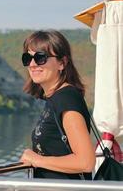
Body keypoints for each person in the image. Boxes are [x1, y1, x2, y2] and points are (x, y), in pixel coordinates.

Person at [19, 30, 96, 180]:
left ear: (62, 63)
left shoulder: (67, 99)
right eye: (28, 58)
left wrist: (37, 160)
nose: (33, 64)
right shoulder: (54, 99)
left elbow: (86, 161)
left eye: (41, 58)